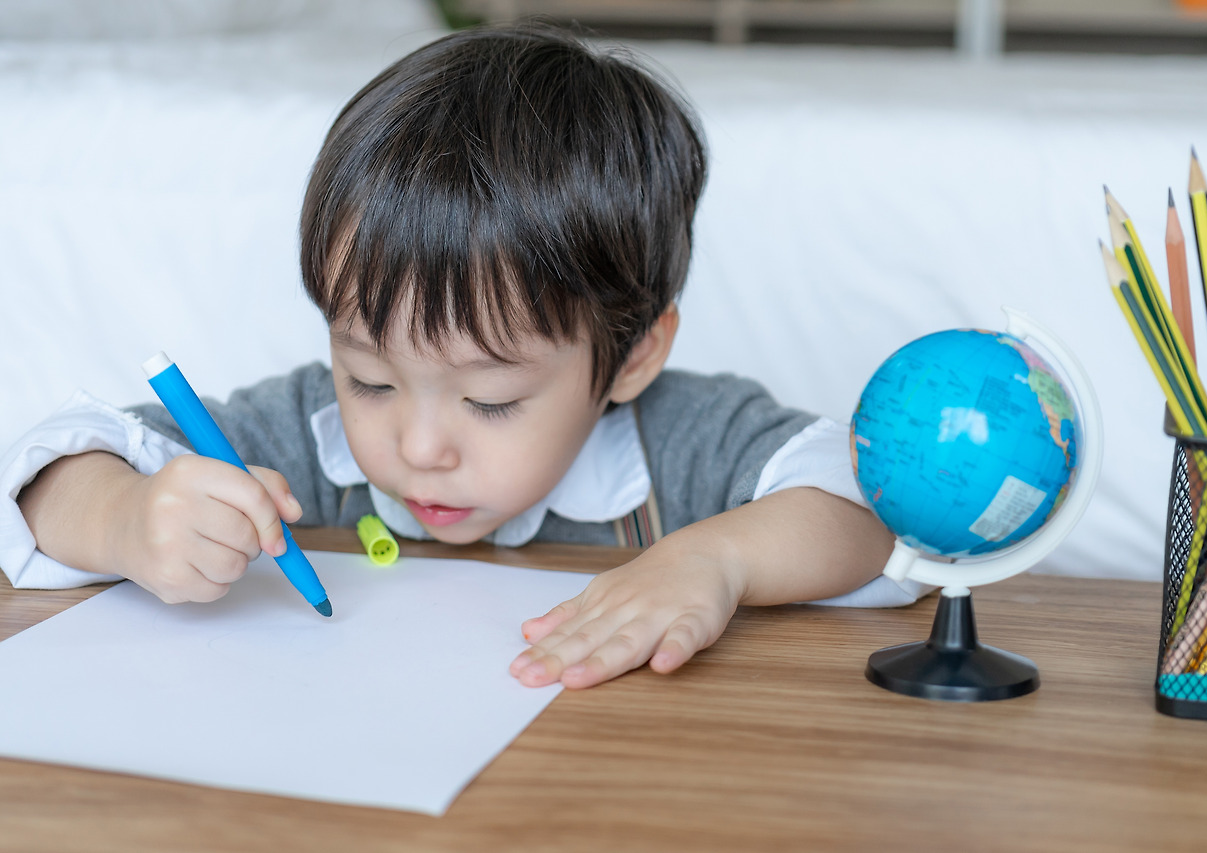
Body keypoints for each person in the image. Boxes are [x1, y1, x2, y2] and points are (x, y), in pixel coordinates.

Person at [1, 24, 923, 689]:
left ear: (634, 353)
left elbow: (872, 507)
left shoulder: (685, 441)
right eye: (369, 376)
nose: (419, 446)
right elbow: (52, 469)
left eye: (490, 399)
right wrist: (127, 517)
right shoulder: (298, 438)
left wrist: (718, 560)